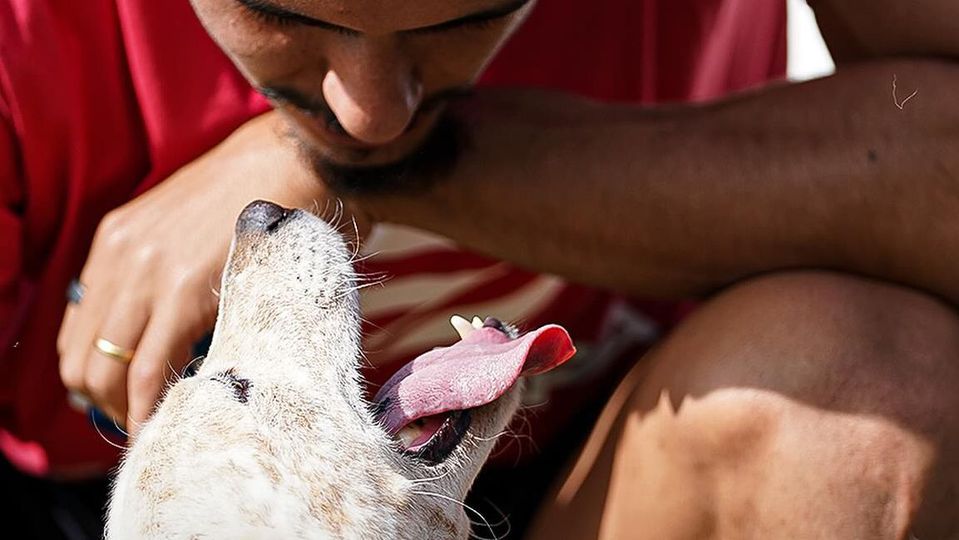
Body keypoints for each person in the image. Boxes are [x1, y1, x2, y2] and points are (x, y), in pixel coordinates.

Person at [2, 0, 958, 537]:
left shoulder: (356, 132)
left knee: (866, 405)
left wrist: (347, 169)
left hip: (596, 469)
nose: (370, 113)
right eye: (277, 13)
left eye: (466, 15)